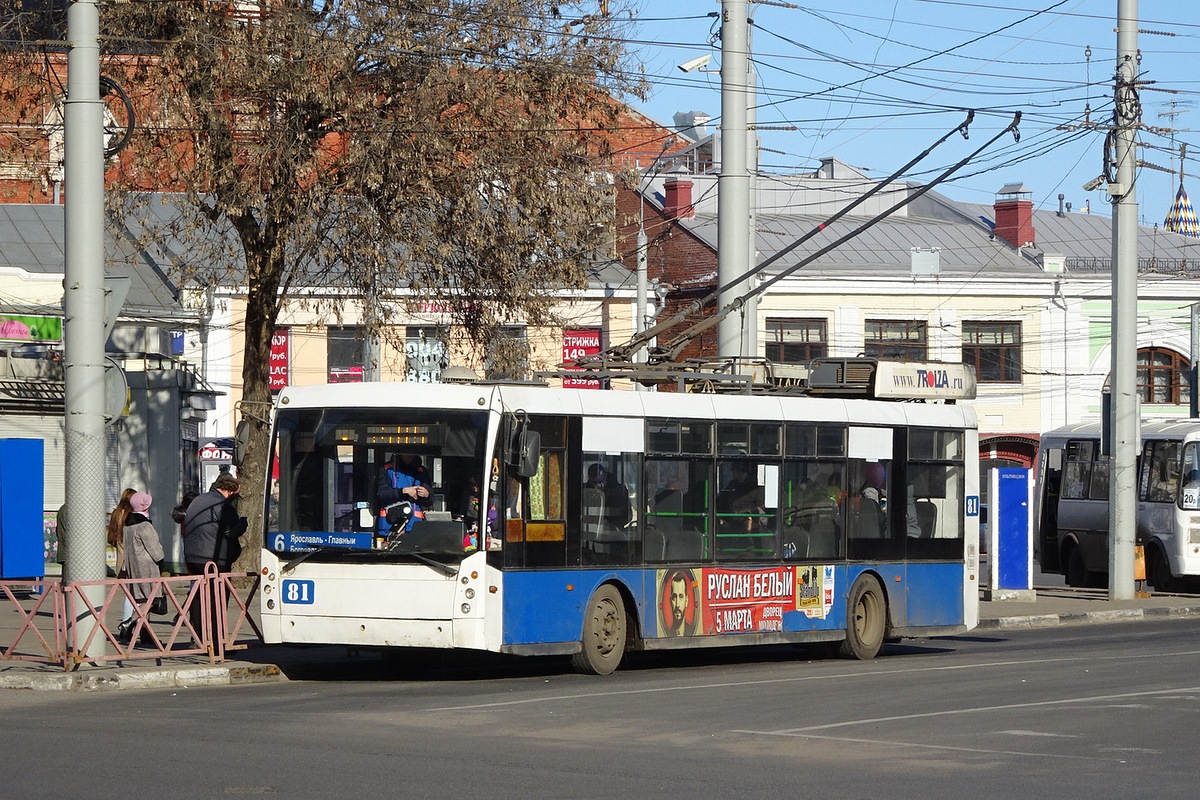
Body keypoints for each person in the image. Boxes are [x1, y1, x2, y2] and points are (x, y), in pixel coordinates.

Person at [182, 474, 248, 645]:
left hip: (193, 557)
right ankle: (217, 641)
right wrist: (243, 523)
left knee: (199, 597)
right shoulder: (222, 505)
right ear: (230, 491)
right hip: (214, 559)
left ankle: (198, 638)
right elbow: (230, 531)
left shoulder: (199, 500)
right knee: (217, 599)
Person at [117, 492, 165, 645]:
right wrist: (161, 561)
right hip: (148, 567)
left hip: (133, 566)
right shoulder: (145, 525)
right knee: (152, 598)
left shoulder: (128, 525)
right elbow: (155, 551)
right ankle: (130, 623)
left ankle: (145, 633)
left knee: (142, 598)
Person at [376, 454, 432, 537]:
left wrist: (427, 494)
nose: (410, 455)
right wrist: (403, 491)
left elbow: (430, 500)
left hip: (414, 527)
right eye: (407, 453)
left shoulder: (421, 471)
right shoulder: (386, 469)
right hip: (390, 525)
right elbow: (381, 494)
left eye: (412, 453)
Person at [582, 463, 631, 529]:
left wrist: (609, 522)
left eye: (599, 480)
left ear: (605, 475)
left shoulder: (619, 491)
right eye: (594, 482)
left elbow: (627, 516)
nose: (598, 485)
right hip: (587, 530)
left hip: (613, 532)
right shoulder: (586, 491)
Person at [107, 488, 135, 577]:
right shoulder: (129, 512)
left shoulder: (117, 511)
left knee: (120, 558)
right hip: (126, 537)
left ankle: (119, 577)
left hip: (118, 537)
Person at [664, 570, 693, 637]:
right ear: (670, 600)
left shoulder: (690, 630)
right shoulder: (668, 632)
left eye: (681, 597)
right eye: (674, 597)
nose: (677, 604)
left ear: (686, 601)